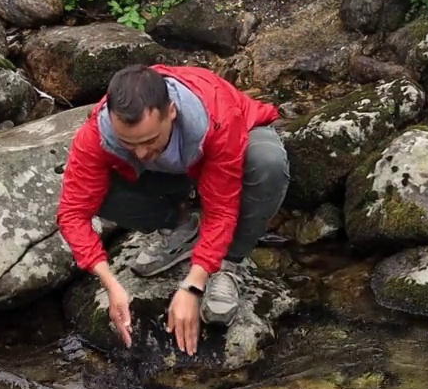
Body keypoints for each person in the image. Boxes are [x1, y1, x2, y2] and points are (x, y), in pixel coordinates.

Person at [56, 63, 289, 356]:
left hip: (230, 144)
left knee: (268, 162)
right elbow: (73, 212)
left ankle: (230, 263)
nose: (140, 152)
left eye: (149, 139)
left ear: (172, 113)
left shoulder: (216, 117)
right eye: (128, 143)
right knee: (94, 189)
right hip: (176, 172)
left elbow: (221, 210)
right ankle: (181, 226)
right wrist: (110, 283)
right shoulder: (97, 134)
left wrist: (194, 285)